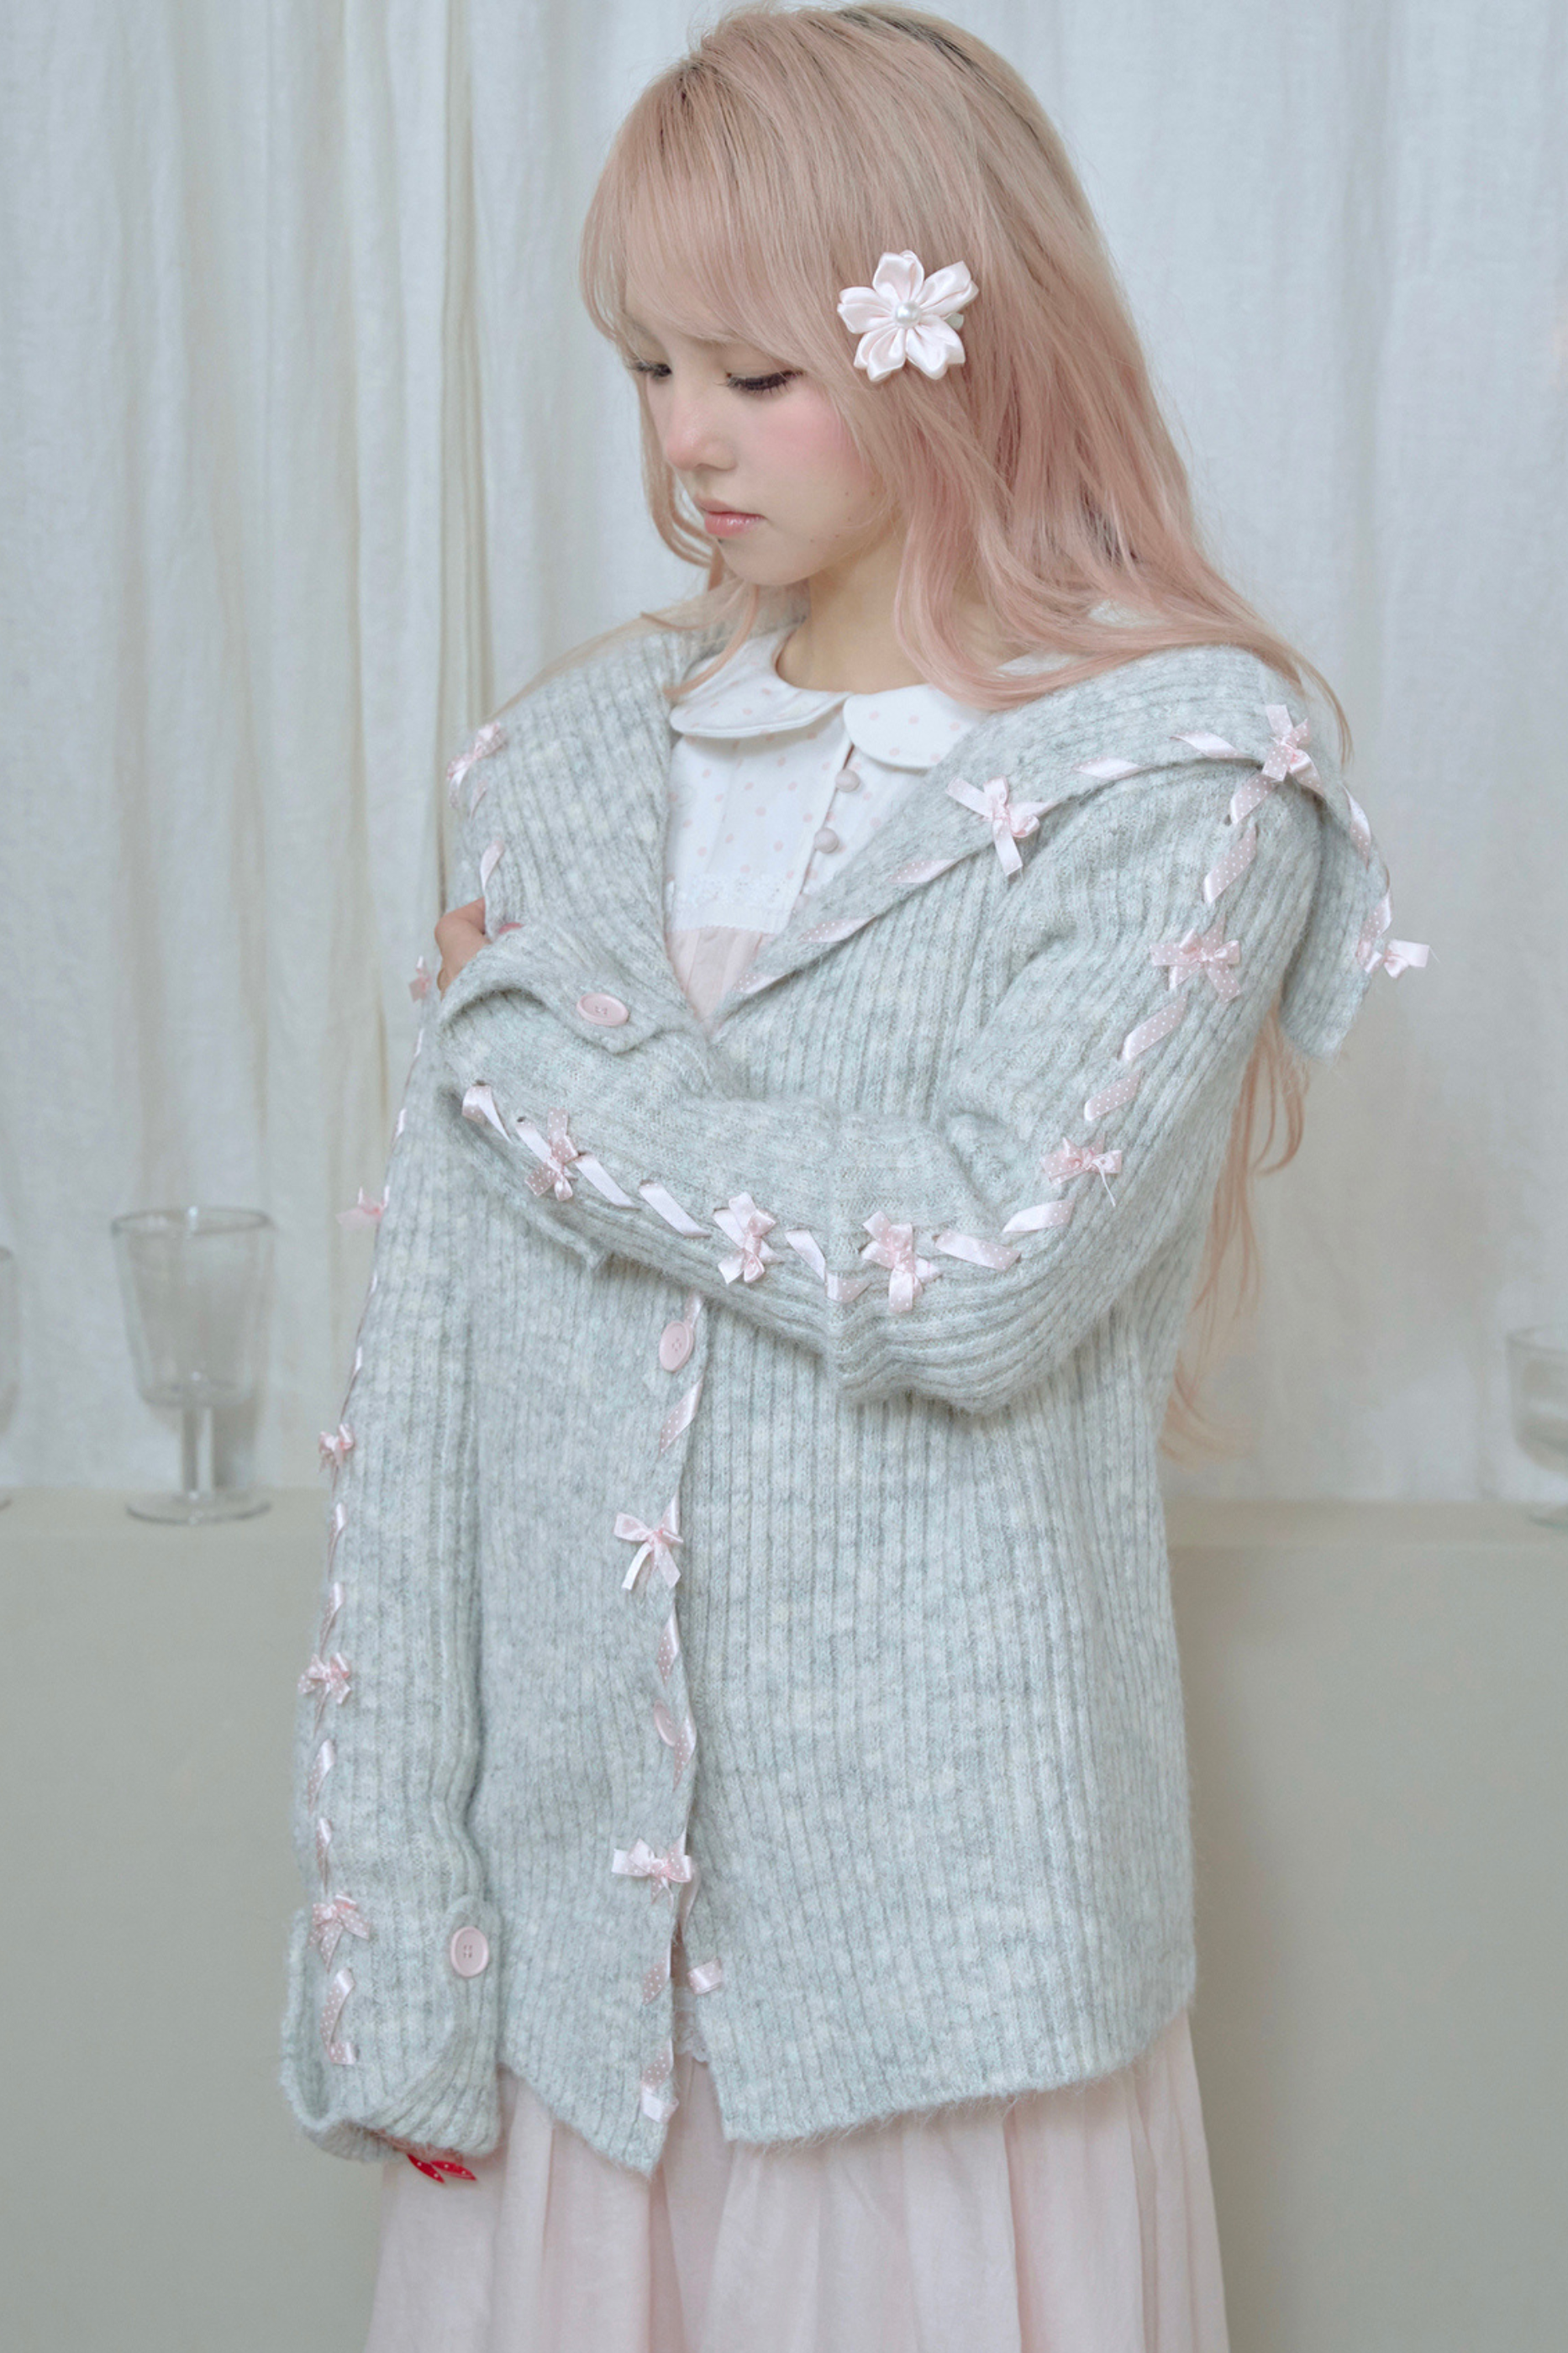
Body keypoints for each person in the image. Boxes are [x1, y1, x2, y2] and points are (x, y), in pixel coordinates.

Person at [281, 8, 1423, 2347]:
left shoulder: (1181, 780)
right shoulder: (562, 768)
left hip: (950, 1996)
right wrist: (390, 1944)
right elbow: (434, 1412)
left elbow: (984, 1263)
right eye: (647, 367)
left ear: (949, 344)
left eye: (758, 374)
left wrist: (534, 1059)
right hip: (577, 2007)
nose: (683, 440)